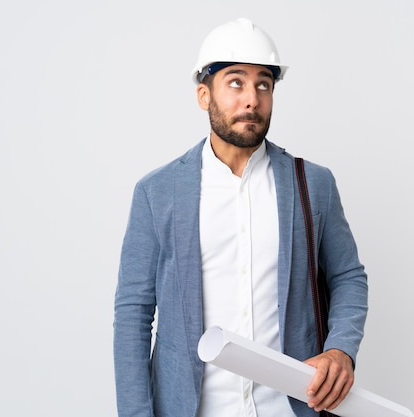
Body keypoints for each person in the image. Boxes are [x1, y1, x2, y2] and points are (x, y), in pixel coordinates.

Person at [113, 17, 368, 417]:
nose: (251, 98)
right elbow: (133, 312)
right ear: (203, 94)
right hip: (191, 409)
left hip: (290, 408)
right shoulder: (156, 192)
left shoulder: (312, 184)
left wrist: (340, 350)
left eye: (263, 84)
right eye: (235, 82)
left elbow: (348, 276)